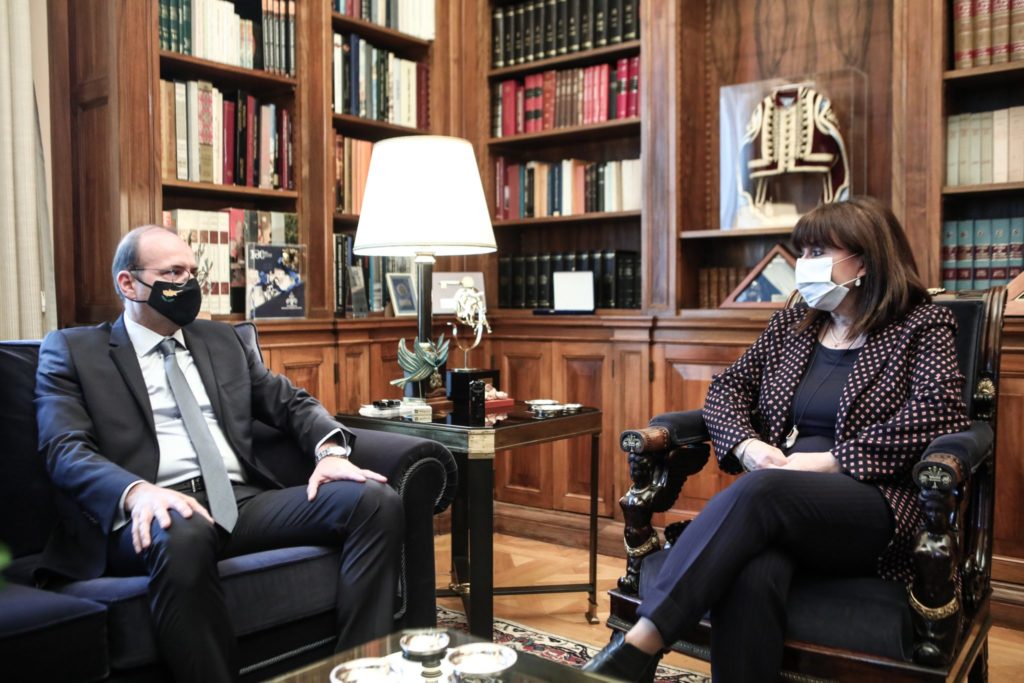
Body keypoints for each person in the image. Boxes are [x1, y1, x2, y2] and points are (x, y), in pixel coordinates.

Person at [583, 197, 971, 682]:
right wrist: (747, 446)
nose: (803, 265)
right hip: (779, 499)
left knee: (762, 492)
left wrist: (832, 461)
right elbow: (727, 388)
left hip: (873, 503)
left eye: (818, 253)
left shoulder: (921, 325)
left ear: (866, 261)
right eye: (802, 252)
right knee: (753, 568)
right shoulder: (794, 324)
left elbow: (938, 413)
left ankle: (639, 644)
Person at [34, 225, 403, 682]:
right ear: (128, 283)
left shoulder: (222, 341)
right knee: (182, 528)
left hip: (238, 501)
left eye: (192, 273)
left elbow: (291, 403)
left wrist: (330, 453)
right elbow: (64, 449)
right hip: (150, 513)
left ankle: (358, 671)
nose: (188, 284)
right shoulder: (73, 352)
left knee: (374, 499)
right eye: (173, 273)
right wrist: (137, 492)